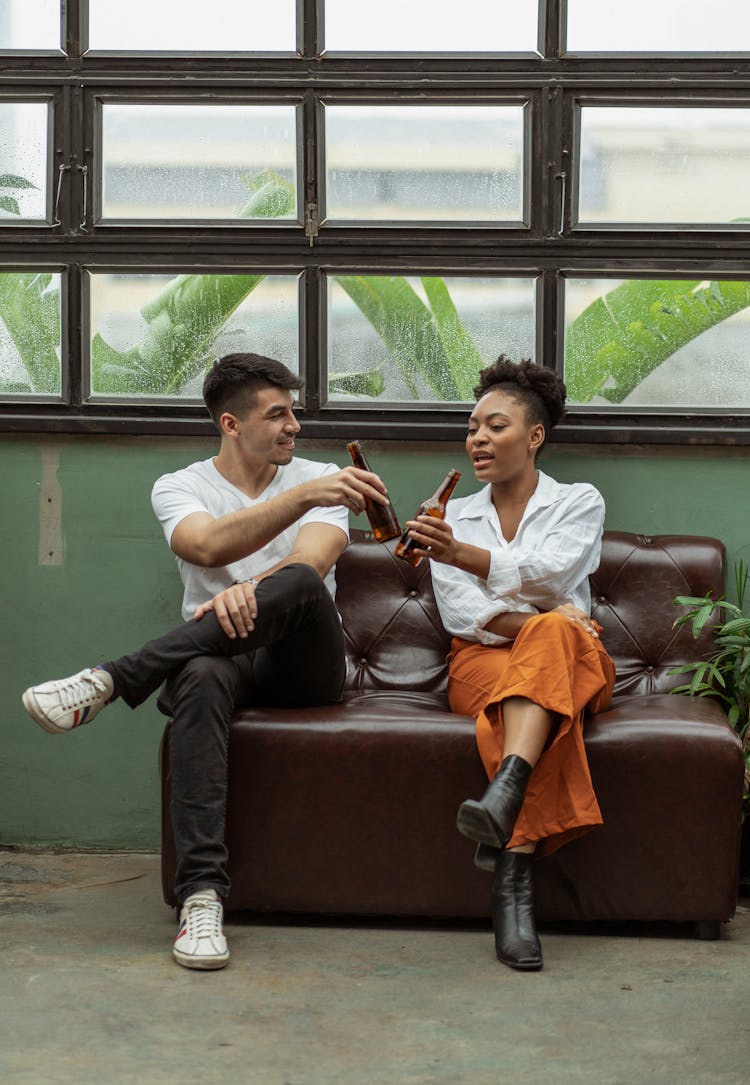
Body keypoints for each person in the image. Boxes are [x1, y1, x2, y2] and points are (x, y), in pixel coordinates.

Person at [21, 352, 390, 972]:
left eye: (293, 412)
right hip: (220, 658)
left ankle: (111, 679)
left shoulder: (323, 477)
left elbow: (313, 565)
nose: (294, 426)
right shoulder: (181, 485)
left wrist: (253, 582)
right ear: (231, 423)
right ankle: (201, 898)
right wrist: (300, 499)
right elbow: (203, 543)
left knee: (296, 583)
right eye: (278, 415)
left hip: (304, 666)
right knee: (198, 673)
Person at [403, 356, 615, 972]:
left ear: (535, 436)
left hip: (578, 659)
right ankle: (511, 833)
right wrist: (547, 621)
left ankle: (507, 834)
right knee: (551, 639)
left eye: (495, 426)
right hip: (485, 663)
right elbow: (467, 614)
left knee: (551, 643)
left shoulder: (579, 501)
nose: (477, 439)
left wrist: (465, 555)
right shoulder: (451, 515)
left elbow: (554, 572)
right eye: (472, 427)